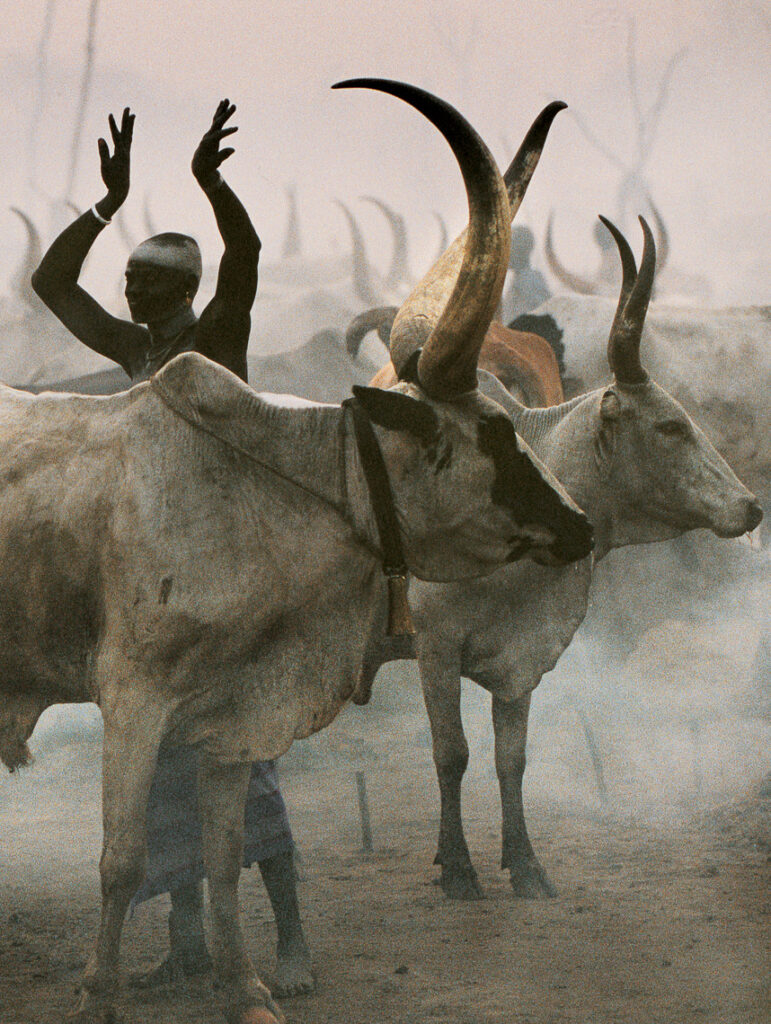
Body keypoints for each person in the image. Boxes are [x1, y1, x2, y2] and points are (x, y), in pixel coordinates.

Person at [31, 101, 315, 999]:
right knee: (160, 773)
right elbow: (50, 284)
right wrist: (105, 201)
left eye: (145, 284)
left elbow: (248, 262)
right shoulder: (132, 348)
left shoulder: (211, 342)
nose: (128, 293)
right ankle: (189, 941)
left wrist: (213, 185)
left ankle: (291, 941)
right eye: (127, 280)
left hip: (228, 569)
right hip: (156, 573)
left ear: (179, 290)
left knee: (242, 766)